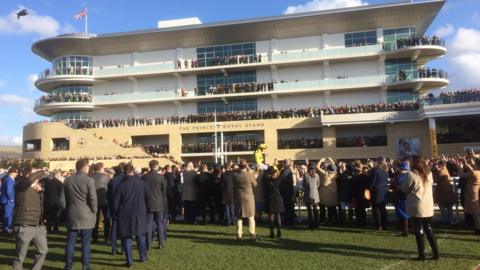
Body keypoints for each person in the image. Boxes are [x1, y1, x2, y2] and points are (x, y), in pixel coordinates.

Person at [61, 158, 98, 270]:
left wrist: (66, 209)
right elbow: (92, 199)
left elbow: (62, 199)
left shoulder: (67, 180)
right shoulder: (89, 180)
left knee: (71, 241)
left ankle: (68, 266)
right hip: (86, 214)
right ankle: (85, 266)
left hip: (72, 213)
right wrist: (94, 211)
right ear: (85, 167)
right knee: (85, 243)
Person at [401, 155, 439, 261]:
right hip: (428, 205)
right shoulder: (429, 173)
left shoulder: (411, 174)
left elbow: (404, 189)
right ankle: (436, 253)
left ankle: (421, 255)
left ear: (415, 162)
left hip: (417, 206)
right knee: (429, 228)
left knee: (419, 230)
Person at [12, 167, 48, 270]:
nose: (38, 176)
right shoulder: (20, 184)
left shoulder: (37, 188)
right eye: (34, 174)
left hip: (38, 225)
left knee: (43, 250)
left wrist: (41, 191)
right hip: (24, 224)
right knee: (20, 256)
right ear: (28, 175)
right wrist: (41, 171)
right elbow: (28, 181)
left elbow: (41, 206)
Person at [113, 163, 149, 267]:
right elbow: (147, 197)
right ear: (133, 171)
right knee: (140, 235)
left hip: (125, 213)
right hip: (139, 212)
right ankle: (143, 256)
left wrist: (116, 212)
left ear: (124, 172)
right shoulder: (141, 183)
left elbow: (116, 202)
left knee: (127, 237)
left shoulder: (121, 185)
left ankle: (129, 260)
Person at [142, 160, 167, 249]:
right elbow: (164, 192)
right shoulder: (161, 177)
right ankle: (160, 242)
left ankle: (148, 243)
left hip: (148, 202)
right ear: (156, 166)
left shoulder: (144, 177)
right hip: (159, 202)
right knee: (159, 223)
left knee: (148, 223)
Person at [234, 160, 257, 240]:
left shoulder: (235, 175)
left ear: (239, 166)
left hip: (239, 197)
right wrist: (252, 174)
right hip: (248, 198)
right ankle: (252, 235)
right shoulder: (249, 175)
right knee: (251, 217)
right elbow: (255, 184)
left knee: (239, 217)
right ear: (246, 166)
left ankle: (239, 235)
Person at [456, 157, 480, 233]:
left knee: (475, 212)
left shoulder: (474, 173)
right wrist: (465, 163)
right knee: (476, 211)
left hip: (473, 193)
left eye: (475, 164)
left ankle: (478, 228)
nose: (473, 164)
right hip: (477, 192)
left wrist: (459, 167)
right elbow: (472, 170)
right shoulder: (476, 172)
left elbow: (461, 175)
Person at [91, 163, 111, 243]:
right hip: (104, 200)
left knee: (95, 220)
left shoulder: (90, 177)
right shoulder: (106, 177)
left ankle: (94, 237)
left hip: (94, 200)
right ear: (101, 168)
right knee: (107, 219)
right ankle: (107, 237)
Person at [433, 160, 456, 225]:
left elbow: (435, 179)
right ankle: (449, 219)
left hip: (442, 190)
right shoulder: (445, 170)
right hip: (447, 190)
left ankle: (446, 220)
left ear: (441, 165)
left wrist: (436, 169)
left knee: (443, 206)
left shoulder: (440, 171)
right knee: (448, 206)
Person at [264, 166, 284, 239]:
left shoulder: (266, 181)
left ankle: (272, 233)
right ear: (275, 173)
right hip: (278, 199)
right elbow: (280, 175)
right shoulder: (279, 179)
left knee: (271, 216)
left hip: (270, 200)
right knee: (278, 216)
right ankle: (279, 232)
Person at [317, 158, 338, 224]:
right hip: (333, 194)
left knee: (322, 209)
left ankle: (322, 220)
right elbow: (335, 167)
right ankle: (332, 220)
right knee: (331, 209)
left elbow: (317, 167)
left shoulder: (324, 173)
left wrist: (321, 160)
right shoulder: (335, 174)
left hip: (323, 194)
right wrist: (331, 160)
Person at [391, 161, 410, 236]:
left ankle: (405, 231)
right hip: (404, 197)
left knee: (404, 215)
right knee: (404, 214)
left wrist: (394, 185)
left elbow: (400, 188)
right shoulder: (406, 175)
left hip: (402, 197)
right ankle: (404, 230)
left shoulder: (403, 176)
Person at [370, 159, 390, 230]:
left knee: (377, 209)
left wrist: (369, 188)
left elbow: (372, 183)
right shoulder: (386, 172)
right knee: (383, 208)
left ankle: (379, 225)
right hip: (384, 191)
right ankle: (385, 224)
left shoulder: (376, 172)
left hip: (377, 191)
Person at [1, 168, 17, 235]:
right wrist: (11, 199)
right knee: (8, 216)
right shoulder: (10, 180)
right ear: (11, 173)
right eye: (15, 172)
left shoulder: (7, 179)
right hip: (8, 201)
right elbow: (9, 191)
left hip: (6, 200)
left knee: (7, 215)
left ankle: (7, 229)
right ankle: (6, 230)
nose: (16, 174)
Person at [279, 159, 295, 226]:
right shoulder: (288, 171)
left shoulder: (286, 171)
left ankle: (288, 221)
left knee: (287, 207)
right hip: (289, 191)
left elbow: (281, 180)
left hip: (286, 192)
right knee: (289, 207)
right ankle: (290, 221)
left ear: (285, 164)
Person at [303, 164, 320, 229]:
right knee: (315, 211)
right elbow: (318, 184)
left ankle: (311, 225)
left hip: (308, 194)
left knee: (309, 211)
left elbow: (304, 184)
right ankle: (317, 224)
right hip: (315, 194)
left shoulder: (306, 175)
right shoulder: (317, 175)